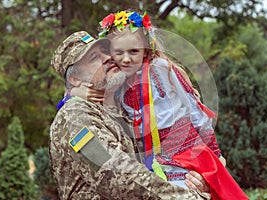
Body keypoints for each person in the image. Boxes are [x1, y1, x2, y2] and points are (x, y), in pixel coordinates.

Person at [71, 11, 248, 200]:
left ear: (145, 49)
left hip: (185, 149)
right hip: (152, 158)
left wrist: (214, 152)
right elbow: (86, 91)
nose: (126, 59)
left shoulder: (161, 69)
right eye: (118, 52)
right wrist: (75, 92)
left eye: (133, 51)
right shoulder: (117, 81)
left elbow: (194, 108)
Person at [49, 30, 210, 199]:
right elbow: (115, 173)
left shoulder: (126, 110)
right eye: (94, 58)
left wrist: (195, 180)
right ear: (75, 79)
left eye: (105, 51)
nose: (107, 58)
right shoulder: (75, 114)